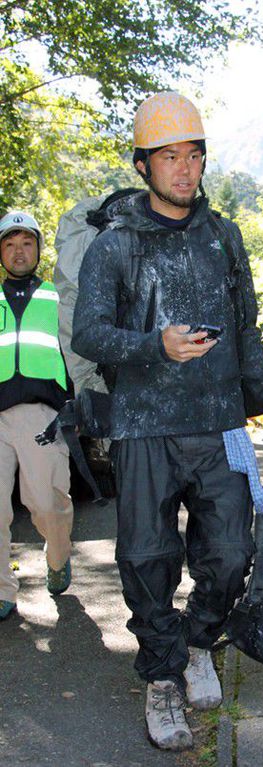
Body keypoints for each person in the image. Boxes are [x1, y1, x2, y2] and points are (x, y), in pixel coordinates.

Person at [71, 92, 263, 752]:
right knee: (146, 557)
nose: (185, 168)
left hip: (221, 421)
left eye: (194, 154)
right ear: (144, 164)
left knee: (233, 553)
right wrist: (152, 345)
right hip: (144, 425)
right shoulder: (114, 247)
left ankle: (200, 640)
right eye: (170, 155)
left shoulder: (223, 237)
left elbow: (246, 329)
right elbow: (88, 333)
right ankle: (163, 675)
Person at [0, 211, 73, 621]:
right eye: (9, 244)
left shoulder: (57, 297)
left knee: (47, 503)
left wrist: (75, 406)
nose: (18, 251)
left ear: (38, 249)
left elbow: (77, 354)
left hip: (42, 416)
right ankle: (2, 591)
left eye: (26, 242)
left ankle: (59, 559)